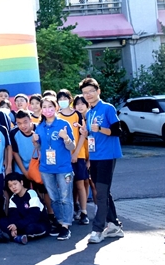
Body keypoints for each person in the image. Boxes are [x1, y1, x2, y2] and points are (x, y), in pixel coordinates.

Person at [79, 77, 124, 244]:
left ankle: (97, 229)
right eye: (85, 92)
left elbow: (117, 131)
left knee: (101, 193)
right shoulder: (89, 113)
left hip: (108, 156)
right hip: (95, 156)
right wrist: (86, 133)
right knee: (102, 192)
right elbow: (92, 136)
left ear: (98, 91)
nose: (88, 95)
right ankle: (114, 225)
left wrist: (100, 128)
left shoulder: (107, 108)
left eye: (91, 91)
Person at [32, 96, 75, 241]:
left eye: (50, 106)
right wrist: (35, 142)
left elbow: (72, 147)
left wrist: (66, 138)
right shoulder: (40, 126)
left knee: (65, 197)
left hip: (63, 168)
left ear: (56, 107)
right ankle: (60, 221)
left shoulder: (63, 124)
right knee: (54, 197)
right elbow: (40, 148)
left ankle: (66, 226)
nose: (47, 109)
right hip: (46, 168)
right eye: (44, 107)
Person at [56, 89, 89, 225]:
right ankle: (69, 212)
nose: (63, 101)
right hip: (63, 158)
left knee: (80, 184)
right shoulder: (57, 116)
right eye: (60, 99)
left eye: (65, 98)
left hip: (78, 155)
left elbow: (83, 135)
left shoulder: (77, 115)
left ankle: (84, 212)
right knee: (65, 186)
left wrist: (75, 153)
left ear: (70, 100)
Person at [0, 173, 51, 244]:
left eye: (15, 184)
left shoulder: (32, 194)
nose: (13, 187)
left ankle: (14, 236)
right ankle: (18, 236)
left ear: (21, 182)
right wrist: (14, 226)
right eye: (10, 186)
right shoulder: (13, 198)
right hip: (22, 223)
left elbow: (34, 217)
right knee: (2, 221)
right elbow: (13, 216)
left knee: (30, 228)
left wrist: (17, 225)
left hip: (38, 222)